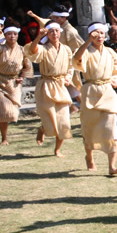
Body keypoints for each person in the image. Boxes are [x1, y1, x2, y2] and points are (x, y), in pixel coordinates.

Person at [73, 22, 117, 176]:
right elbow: (77, 59)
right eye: (96, 33)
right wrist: (88, 41)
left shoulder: (110, 52)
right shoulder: (85, 51)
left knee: (111, 129)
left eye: (102, 33)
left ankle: (112, 166)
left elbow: (116, 68)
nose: (99, 36)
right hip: (90, 90)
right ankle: (89, 157)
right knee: (89, 129)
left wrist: (114, 79)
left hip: (107, 91)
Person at [25, 22, 73, 156]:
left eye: (57, 31)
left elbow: (71, 66)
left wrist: (68, 77)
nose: (54, 34)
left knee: (63, 121)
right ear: (47, 34)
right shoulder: (43, 48)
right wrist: (38, 38)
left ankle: (57, 149)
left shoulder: (66, 49)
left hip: (61, 85)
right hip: (46, 85)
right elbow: (32, 51)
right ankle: (43, 129)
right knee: (49, 121)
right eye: (51, 31)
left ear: (60, 32)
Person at [0, 26, 31, 145]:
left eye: (15, 34)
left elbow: (27, 66)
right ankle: (4, 138)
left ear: (18, 36)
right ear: (5, 36)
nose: (12, 36)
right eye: (9, 34)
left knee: (12, 113)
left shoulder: (22, 50)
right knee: (2, 110)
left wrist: (22, 77)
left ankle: (5, 134)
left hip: (14, 83)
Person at [27, 6, 84, 107]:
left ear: (63, 18)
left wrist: (68, 59)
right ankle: (72, 109)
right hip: (52, 62)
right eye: (53, 18)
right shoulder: (54, 26)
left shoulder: (70, 31)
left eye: (56, 18)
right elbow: (45, 22)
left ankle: (84, 106)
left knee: (74, 88)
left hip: (67, 63)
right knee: (65, 90)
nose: (53, 19)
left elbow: (78, 48)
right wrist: (34, 16)